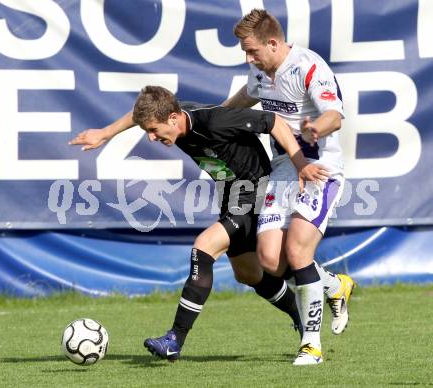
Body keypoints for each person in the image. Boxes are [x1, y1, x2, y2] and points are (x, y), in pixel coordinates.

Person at [69, 85, 329, 361]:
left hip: (257, 194)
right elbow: (137, 115)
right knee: (249, 274)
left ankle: (174, 340)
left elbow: (273, 121)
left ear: (172, 117)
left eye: (154, 130)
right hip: (232, 199)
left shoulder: (215, 120)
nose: (152, 137)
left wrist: (299, 163)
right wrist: (105, 133)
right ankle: (320, 295)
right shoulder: (172, 117)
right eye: (148, 130)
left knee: (204, 247)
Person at [222, 9, 355, 365]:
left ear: (273, 43)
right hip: (283, 170)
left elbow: (335, 114)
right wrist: (216, 117)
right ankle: (335, 285)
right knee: (270, 261)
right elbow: (244, 99)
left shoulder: (308, 66)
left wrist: (316, 130)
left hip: (320, 168)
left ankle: (311, 345)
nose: (248, 58)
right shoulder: (260, 71)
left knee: (298, 253)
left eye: (252, 51)